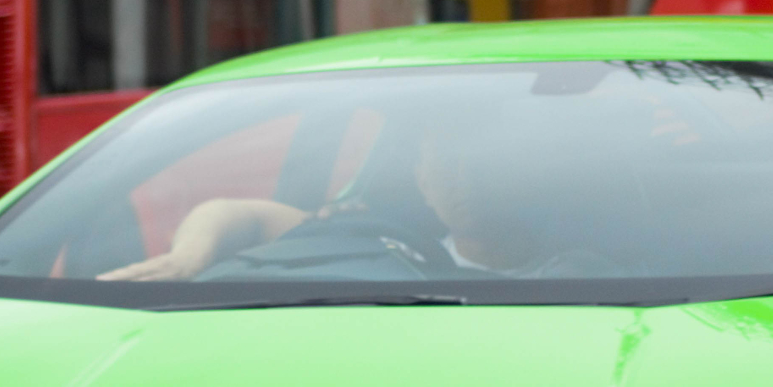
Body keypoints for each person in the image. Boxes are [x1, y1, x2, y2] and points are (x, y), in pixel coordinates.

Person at [103, 118, 594, 282]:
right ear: (422, 182)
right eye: (443, 165)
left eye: (477, 162)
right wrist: (189, 258)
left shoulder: (585, 269)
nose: (462, 180)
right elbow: (236, 213)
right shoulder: (384, 244)